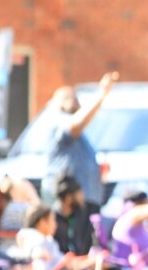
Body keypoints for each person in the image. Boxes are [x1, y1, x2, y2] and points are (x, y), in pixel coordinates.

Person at [41, 71, 118, 210]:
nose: (75, 102)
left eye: (75, 98)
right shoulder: (57, 120)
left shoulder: (80, 133)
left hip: (86, 200)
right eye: (68, 98)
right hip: (68, 202)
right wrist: (102, 94)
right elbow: (76, 125)